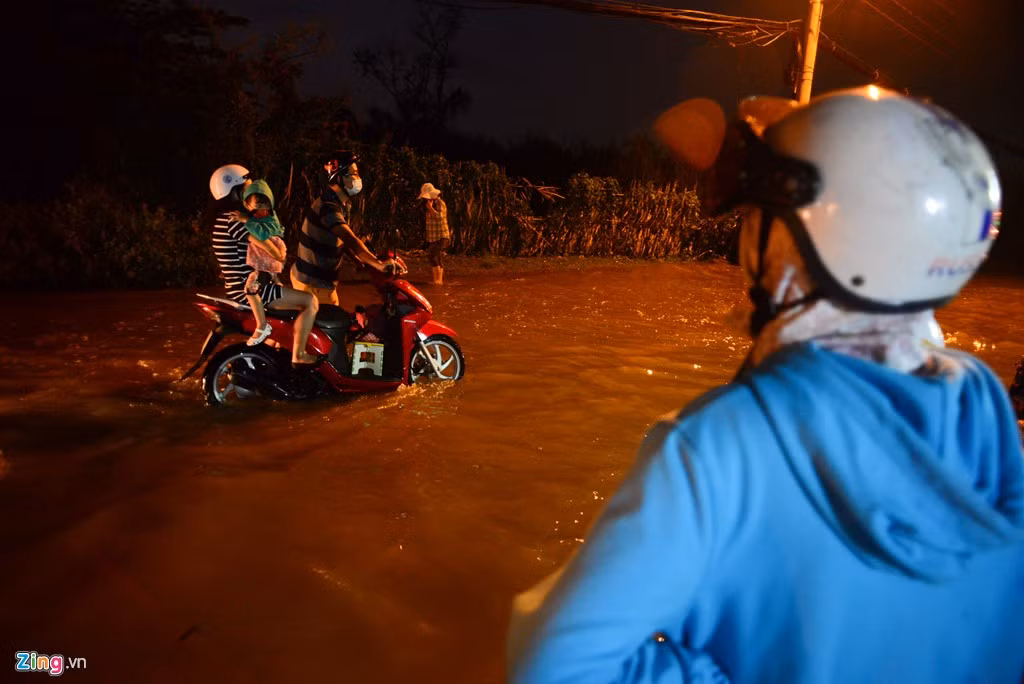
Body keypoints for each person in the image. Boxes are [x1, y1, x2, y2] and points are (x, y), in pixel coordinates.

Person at [506, 87, 1024, 683]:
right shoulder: (981, 400)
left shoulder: (712, 444)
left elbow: (555, 666)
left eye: (760, 221)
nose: (746, 245)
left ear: (822, 243)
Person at [208, 164, 320, 366]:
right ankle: (299, 355)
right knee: (310, 301)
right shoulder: (235, 221)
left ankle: (267, 361)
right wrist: (280, 253)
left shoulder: (221, 221)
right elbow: (272, 250)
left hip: (237, 288)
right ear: (235, 193)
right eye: (246, 191)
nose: (250, 198)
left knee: (287, 321)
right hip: (252, 289)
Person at [290, 150, 396, 306]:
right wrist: (379, 265)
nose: (358, 179)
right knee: (331, 327)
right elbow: (349, 238)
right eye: (353, 174)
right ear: (338, 178)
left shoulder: (338, 203)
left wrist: (356, 258)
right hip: (313, 283)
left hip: (313, 279)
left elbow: (337, 237)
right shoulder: (329, 207)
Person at [226, 179, 287, 346]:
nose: (260, 207)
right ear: (246, 203)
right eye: (256, 204)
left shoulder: (269, 216)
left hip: (268, 260)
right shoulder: (255, 214)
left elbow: (261, 235)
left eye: (264, 203)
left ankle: (262, 325)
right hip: (266, 262)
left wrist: (246, 220)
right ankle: (273, 343)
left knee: (251, 287)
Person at [418, 182, 451, 285]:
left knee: (433, 256)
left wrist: (430, 208)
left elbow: (440, 217)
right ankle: (438, 281)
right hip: (434, 237)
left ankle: (437, 281)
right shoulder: (431, 204)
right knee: (436, 257)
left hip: (441, 236)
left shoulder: (440, 203)